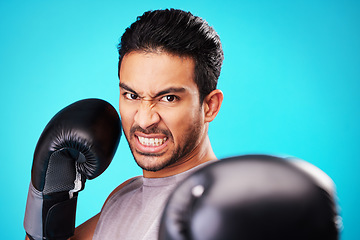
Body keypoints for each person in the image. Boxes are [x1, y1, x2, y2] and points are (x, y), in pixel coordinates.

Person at [70, 8, 224, 239]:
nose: (144, 119)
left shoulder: (222, 204)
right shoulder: (125, 194)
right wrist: (48, 193)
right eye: (132, 96)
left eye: (168, 98)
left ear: (209, 106)